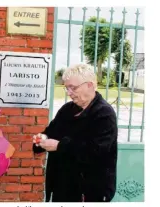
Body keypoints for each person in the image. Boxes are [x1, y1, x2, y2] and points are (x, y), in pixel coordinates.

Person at [32, 63, 118, 202]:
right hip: (63, 188)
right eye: (66, 87)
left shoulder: (104, 114)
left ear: (90, 85)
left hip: (89, 191)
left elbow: (95, 152)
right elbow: (50, 132)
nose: (68, 92)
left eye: (73, 87)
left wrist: (60, 146)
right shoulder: (67, 109)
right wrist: (42, 138)